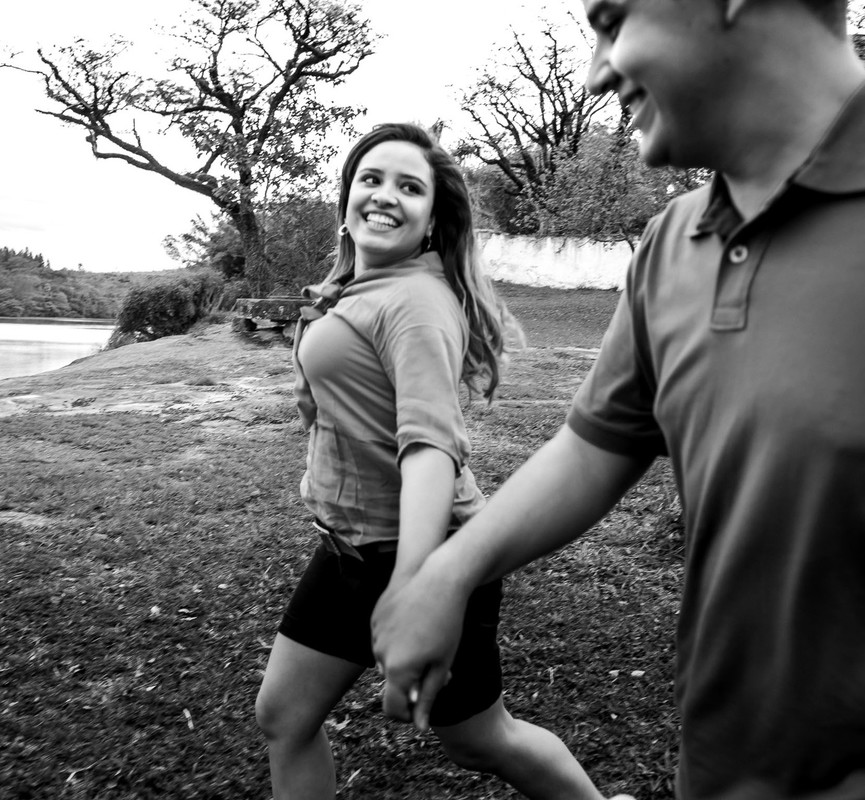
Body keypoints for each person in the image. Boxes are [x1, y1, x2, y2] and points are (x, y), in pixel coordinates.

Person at [372, 0, 865, 798]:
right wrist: (446, 574)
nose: (596, 72)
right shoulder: (673, 241)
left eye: (611, 21)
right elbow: (595, 447)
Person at [253, 123, 612, 800]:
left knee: (480, 738)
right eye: (372, 179)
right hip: (349, 548)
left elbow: (430, 449)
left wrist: (416, 587)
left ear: (430, 220)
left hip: (422, 550)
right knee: (283, 717)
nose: (386, 196)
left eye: (409, 187)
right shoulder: (364, 288)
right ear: (347, 198)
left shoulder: (415, 302)